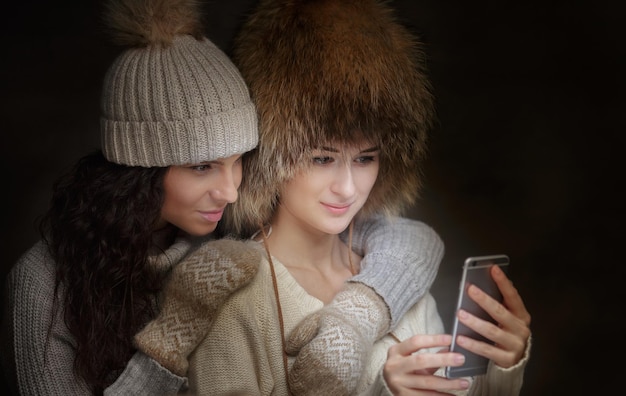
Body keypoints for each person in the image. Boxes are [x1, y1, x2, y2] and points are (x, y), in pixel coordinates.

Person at [0, 1, 444, 395]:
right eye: (201, 166)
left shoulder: (216, 229)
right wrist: (174, 332)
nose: (231, 190)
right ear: (140, 172)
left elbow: (403, 239)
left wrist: (360, 312)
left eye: (239, 161)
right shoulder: (44, 284)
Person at [148, 0, 531, 395]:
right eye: (322, 158)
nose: (348, 188)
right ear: (271, 156)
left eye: (366, 158)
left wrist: (499, 370)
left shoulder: (398, 281)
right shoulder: (233, 302)